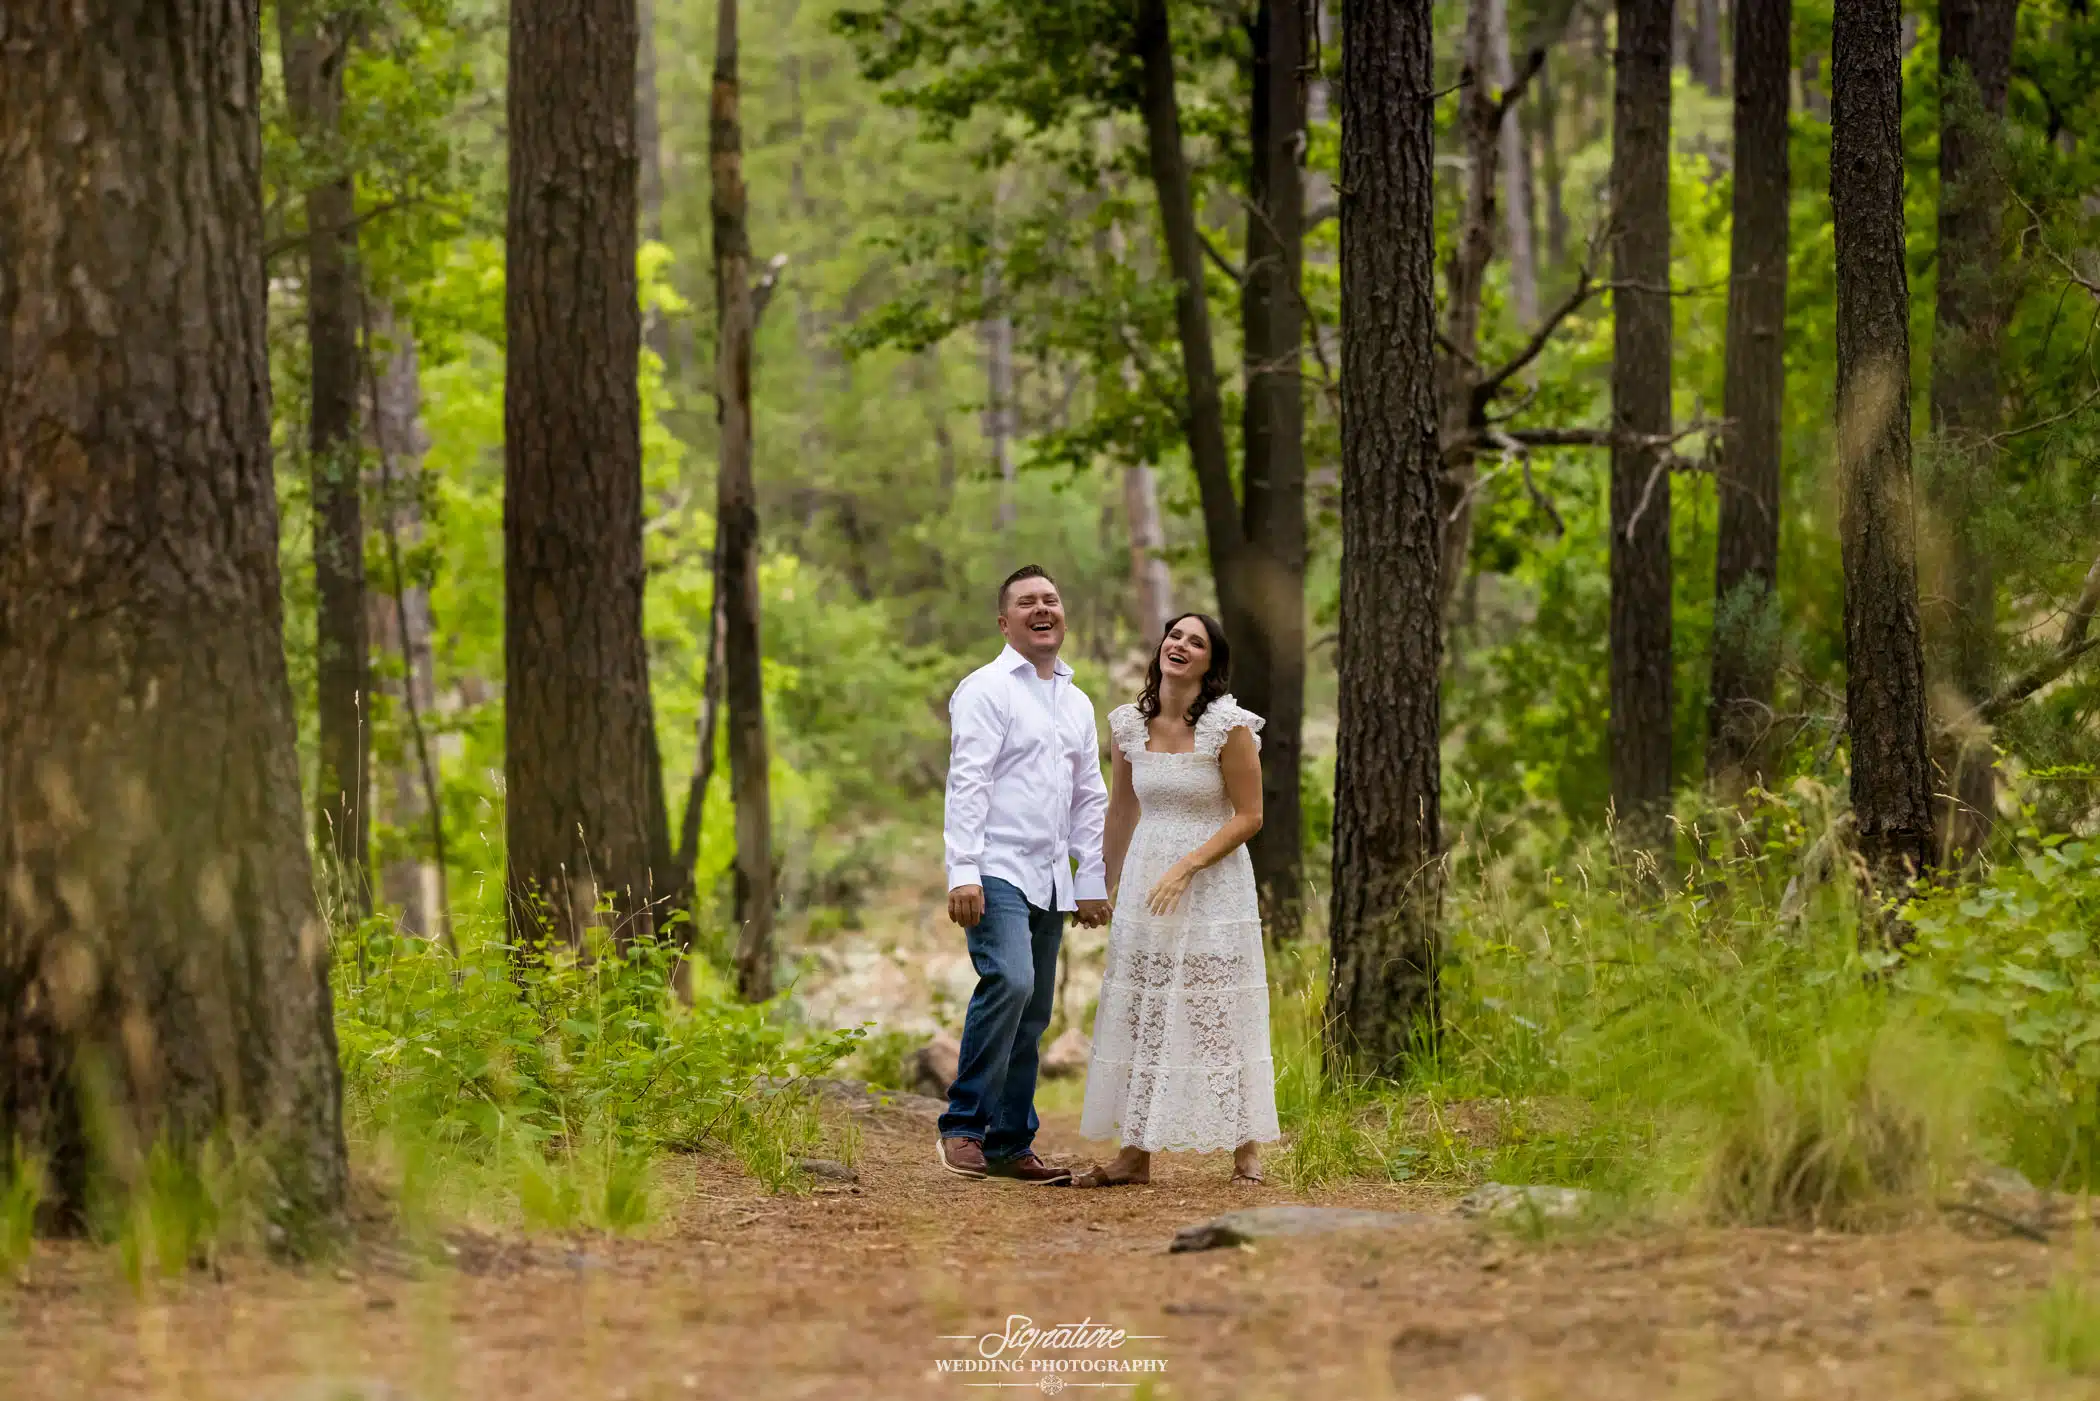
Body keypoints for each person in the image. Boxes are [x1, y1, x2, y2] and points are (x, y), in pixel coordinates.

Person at [1071, 613, 1278, 1187]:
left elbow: (1250, 816)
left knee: (1216, 1006)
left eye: (1196, 641)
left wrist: (1187, 866)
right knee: (1142, 1006)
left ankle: (1245, 1148)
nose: (1180, 645)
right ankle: (1134, 1155)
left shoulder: (1227, 726)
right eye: (1175, 635)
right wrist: (1099, 886)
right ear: (1161, 646)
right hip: (1145, 877)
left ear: (1211, 663)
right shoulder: (1127, 726)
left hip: (1211, 879)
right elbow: (1121, 811)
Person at [936, 565, 1111, 1183]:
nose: (1043, 609)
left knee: (1033, 1012)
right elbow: (969, 781)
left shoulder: (1076, 700)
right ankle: (963, 1126)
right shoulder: (985, 689)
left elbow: (1091, 796)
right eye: (1027, 602)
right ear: (1005, 621)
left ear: (1063, 615)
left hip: (1050, 875)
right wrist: (963, 870)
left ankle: (1010, 1143)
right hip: (996, 867)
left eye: (1052, 600)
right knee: (1008, 980)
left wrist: (1090, 879)